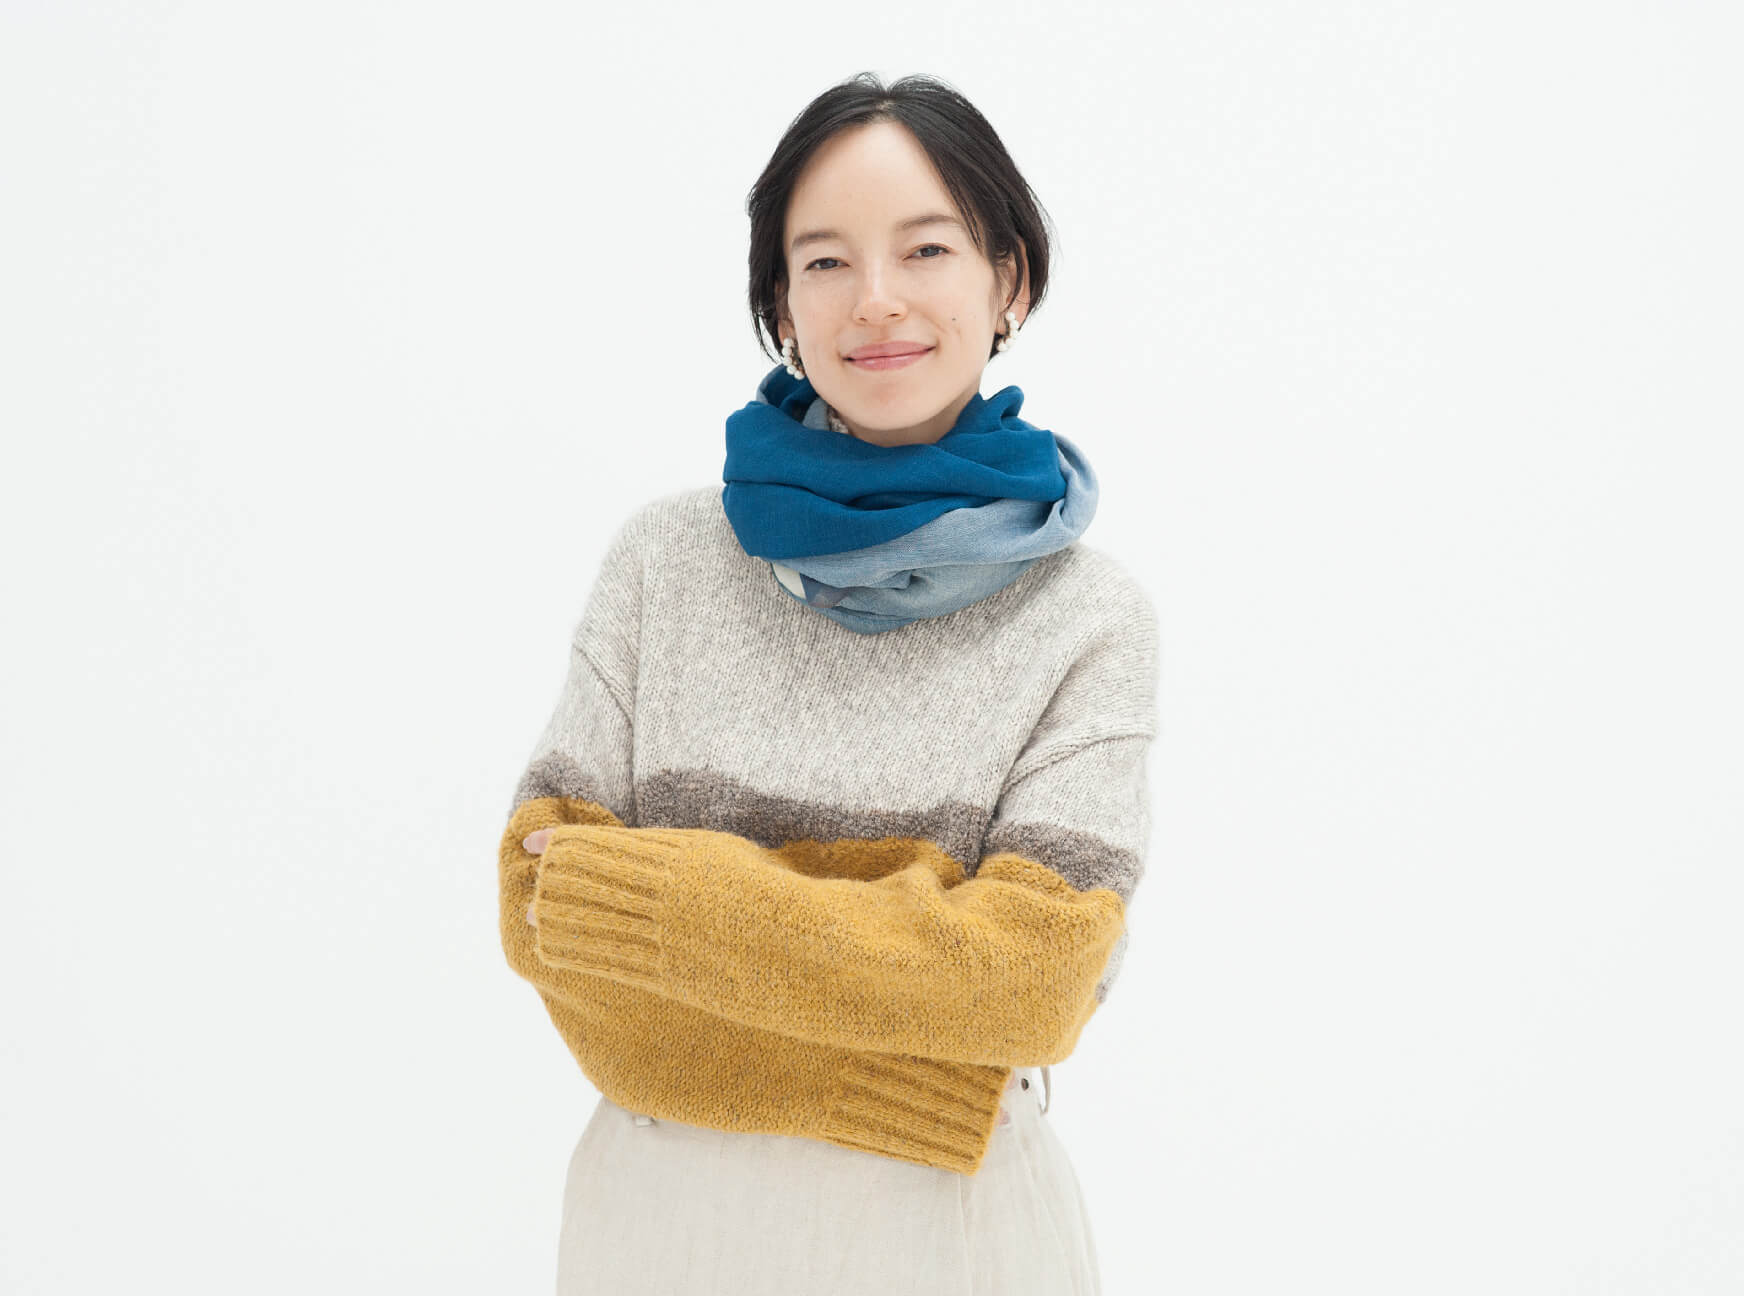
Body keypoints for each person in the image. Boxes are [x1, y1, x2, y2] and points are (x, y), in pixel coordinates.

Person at [495, 71, 1158, 1296]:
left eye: (926, 249)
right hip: (661, 1230)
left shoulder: (1084, 615)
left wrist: (663, 907)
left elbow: (1032, 982)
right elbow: (541, 912)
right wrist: (924, 1063)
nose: (877, 300)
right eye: (825, 262)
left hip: (960, 1236)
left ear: (1009, 281)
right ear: (780, 306)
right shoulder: (664, 563)